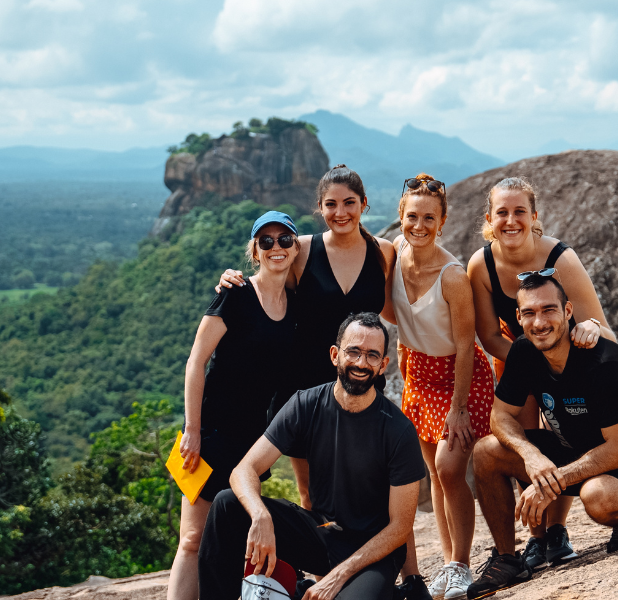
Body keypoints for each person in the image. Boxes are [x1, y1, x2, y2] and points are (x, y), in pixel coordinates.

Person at [197, 312, 428, 600]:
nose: (360, 363)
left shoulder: (398, 430)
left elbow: (400, 527)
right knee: (227, 505)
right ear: (335, 355)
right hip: (321, 534)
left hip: (373, 552)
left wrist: (337, 577)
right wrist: (260, 517)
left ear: (383, 366)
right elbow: (243, 471)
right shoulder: (305, 404)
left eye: (372, 356)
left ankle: (384, 594)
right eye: (353, 351)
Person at [465, 274, 618, 600]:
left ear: (568, 310)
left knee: (597, 499)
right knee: (487, 451)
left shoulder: (605, 360)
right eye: (529, 313)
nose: (540, 321)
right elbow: (500, 416)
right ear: (518, 317)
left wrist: (553, 481)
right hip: (572, 451)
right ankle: (506, 559)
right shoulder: (523, 351)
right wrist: (531, 455)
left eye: (549, 310)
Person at [215, 165, 397, 511]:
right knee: (311, 493)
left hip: (362, 382)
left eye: (349, 203)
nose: (340, 213)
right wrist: (231, 278)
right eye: (331, 204)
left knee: (370, 481)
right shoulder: (301, 250)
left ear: (364, 204)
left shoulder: (383, 251)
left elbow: (391, 309)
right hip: (306, 387)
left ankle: (378, 563)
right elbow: (265, 283)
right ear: (319, 206)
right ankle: (322, 566)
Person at [465, 176, 618, 571]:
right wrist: (528, 365)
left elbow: (602, 326)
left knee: (561, 437)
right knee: (519, 445)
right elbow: (487, 335)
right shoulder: (480, 265)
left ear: (534, 217)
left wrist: (581, 339)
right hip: (515, 356)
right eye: (502, 212)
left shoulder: (560, 259)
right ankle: (535, 537)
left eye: (520, 212)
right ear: (489, 218)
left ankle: (556, 532)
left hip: (567, 362)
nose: (511, 220)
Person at [167, 211, 301, 600]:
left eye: (284, 240)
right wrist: (192, 430)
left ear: (295, 247)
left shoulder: (293, 305)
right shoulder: (235, 294)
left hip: (252, 443)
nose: (276, 247)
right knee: (192, 539)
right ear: (255, 251)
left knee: (232, 539)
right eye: (266, 241)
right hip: (211, 434)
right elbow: (196, 361)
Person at [383, 174, 495, 600]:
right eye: (412, 216)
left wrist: (460, 408)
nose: (419, 225)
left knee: (450, 470)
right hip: (418, 374)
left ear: (442, 221)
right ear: (400, 217)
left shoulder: (452, 276)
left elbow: (466, 346)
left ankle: (461, 566)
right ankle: (448, 562)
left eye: (429, 217)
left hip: (458, 377)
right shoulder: (394, 255)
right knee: (433, 474)